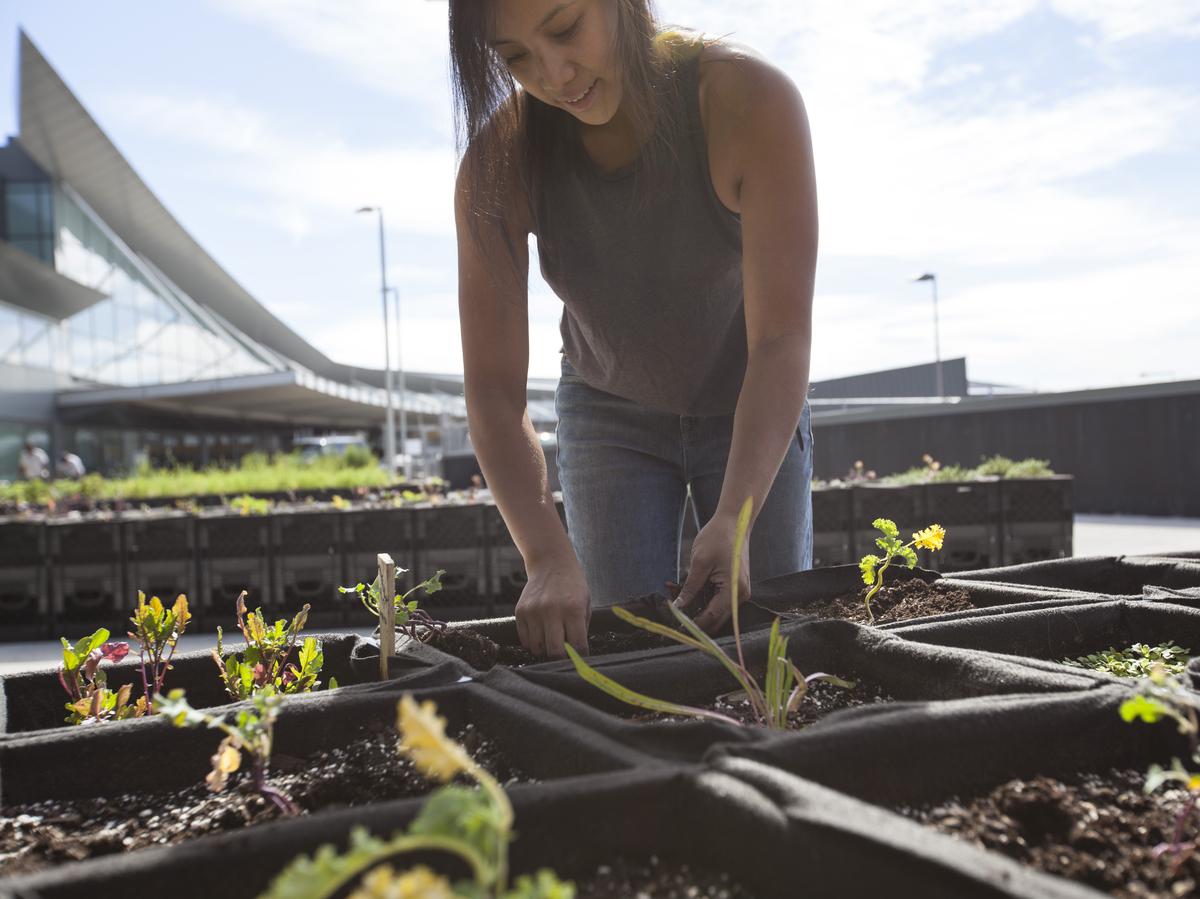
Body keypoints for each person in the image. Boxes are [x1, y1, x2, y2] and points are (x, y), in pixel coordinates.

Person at [450, 0, 817, 658]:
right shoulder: (496, 165)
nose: (555, 74)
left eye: (565, 29)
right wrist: (545, 555)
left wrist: (736, 512)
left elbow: (780, 341)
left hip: (749, 400)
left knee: (769, 644)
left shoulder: (750, 104)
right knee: (633, 657)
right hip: (606, 409)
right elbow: (494, 393)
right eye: (515, 58)